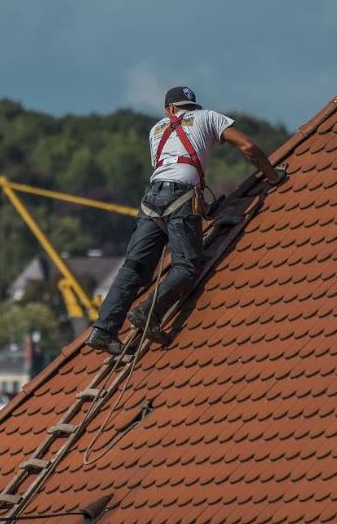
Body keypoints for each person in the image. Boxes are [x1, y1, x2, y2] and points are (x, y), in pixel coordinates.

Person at [85, 86, 286, 355]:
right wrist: (273, 176)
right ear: (191, 107)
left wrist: (199, 208)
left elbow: (170, 168)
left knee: (134, 268)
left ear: (169, 109)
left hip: (151, 200)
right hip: (181, 196)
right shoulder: (208, 117)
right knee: (187, 266)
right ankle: (149, 312)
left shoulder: (156, 130)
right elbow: (247, 147)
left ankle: (103, 330)